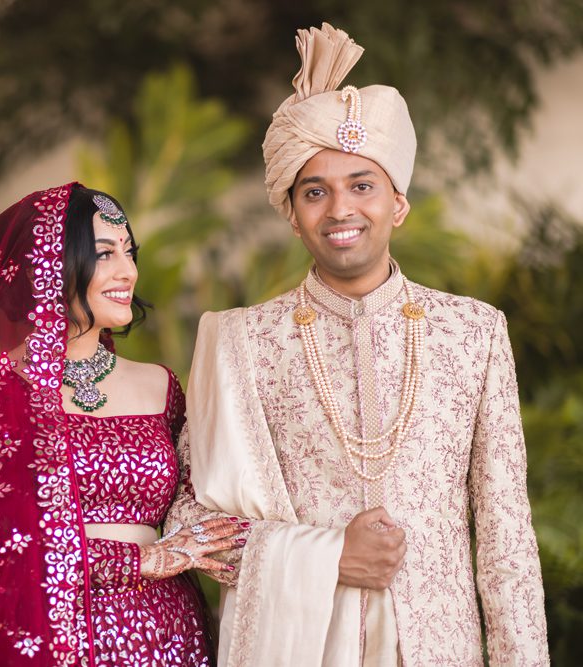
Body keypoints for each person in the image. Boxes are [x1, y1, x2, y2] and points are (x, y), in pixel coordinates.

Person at [167, 23, 549, 666]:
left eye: (362, 186)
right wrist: (325, 558)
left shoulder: (473, 332)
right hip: (301, 649)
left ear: (398, 203)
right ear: (292, 213)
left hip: (440, 652)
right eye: (315, 192)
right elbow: (186, 524)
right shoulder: (242, 342)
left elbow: (507, 540)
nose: (340, 209)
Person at [0, 182, 244, 666]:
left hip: (169, 637)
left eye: (129, 253)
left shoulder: (161, 387)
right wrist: (142, 561)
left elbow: (198, 499)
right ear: (49, 263)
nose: (127, 271)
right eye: (105, 254)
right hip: (44, 638)